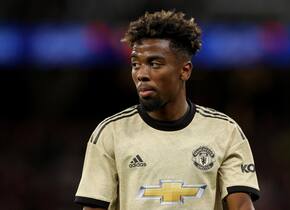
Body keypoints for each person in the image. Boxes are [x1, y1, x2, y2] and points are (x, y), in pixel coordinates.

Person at [74, 10, 260, 210]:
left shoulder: (225, 132)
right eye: (135, 64)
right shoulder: (110, 134)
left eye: (154, 64)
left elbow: (241, 206)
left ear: (185, 70)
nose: (141, 74)